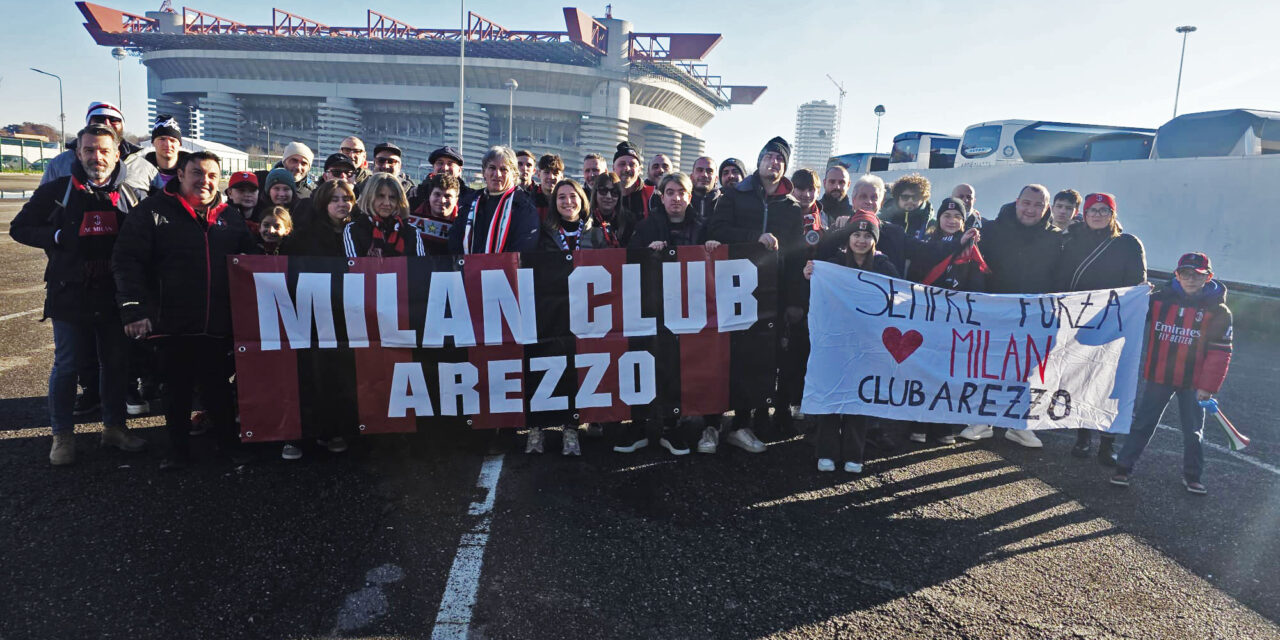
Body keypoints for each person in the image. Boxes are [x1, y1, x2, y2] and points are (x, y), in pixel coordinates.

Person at [11, 124, 149, 465]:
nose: (96, 157)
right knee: (68, 365)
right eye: (89, 150)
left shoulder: (133, 195)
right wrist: (56, 236)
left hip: (115, 296)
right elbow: (20, 228)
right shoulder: (58, 190)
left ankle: (114, 428)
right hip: (70, 294)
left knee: (116, 364)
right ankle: (62, 436)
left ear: (118, 154)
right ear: (78, 153)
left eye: (104, 150)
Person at [112, 150, 257, 470]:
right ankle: (177, 451)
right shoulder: (151, 211)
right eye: (197, 173)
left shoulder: (230, 217)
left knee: (218, 388)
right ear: (180, 174)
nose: (204, 181)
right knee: (174, 390)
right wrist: (133, 310)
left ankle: (228, 446)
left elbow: (250, 261)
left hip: (216, 323)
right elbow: (126, 261)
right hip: (171, 321)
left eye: (211, 175)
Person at [707, 136, 804, 452]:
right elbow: (717, 232)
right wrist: (754, 238)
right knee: (730, 353)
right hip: (734, 289)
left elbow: (796, 257)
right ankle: (717, 420)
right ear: (759, 160)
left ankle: (746, 421)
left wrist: (793, 301)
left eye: (780, 160)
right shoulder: (734, 196)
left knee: (764, 356)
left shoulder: (791, 208)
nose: (774, 163)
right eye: (769, 157)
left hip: (773, 295)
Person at [1111, 253, 1232, 495]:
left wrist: (1208, 386)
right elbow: (1126, 313)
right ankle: (1123, 467)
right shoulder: (1158, 300)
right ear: (1176, 275)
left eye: (1197, 275)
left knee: (1193, 430)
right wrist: (1137, 293)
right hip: (1159, 376)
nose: (1191, 279)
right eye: (1185, 273)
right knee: (1143, 423)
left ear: (1208, 277)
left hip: (1194, 382)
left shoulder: (1219, 311)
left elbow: (1220, 353)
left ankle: (1193, 476)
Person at [958, 184, 1062, 448]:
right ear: (1017, 202)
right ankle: (982, 420)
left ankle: (1018, 424)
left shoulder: (1057, 238)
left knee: (1025, 370)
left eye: (1038, 205)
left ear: (1046, 208)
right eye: (1027, 203)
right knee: (989, 365)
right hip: (995, 311)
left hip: (1034, 315)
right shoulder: (991, 230)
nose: (1031, 209)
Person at [625, 172, 721, 456]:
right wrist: (647, 253)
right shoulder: (646, 226)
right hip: (651, 307)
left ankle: (671, 426)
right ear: (661, 196)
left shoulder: (703, 228)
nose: (676, 198)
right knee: (645, 363)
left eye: (681, 192)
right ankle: (639, 425)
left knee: (677, 367)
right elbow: (628, 261)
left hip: (688, 309)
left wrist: (714, 249)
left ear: (689, 196)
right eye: (670, 192)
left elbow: (716, 268)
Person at [802, 211, 900, 473]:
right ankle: (826, 451)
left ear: (875, 240)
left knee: (860, 397)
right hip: (835, 343)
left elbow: (896, 300)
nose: (860, 240)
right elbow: (815, 292)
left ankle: (854, 453)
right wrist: (810, 274)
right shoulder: (833, 264)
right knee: (832, 393)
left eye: (867, 235)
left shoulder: (885, 267)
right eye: (856, 234)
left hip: (867, 344)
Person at [1054, 192, 1147, 462]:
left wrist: (1140, 293)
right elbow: (1060, 278)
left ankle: (1108, 443)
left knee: (1110, 384)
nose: (1097, 214)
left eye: (1103, 210)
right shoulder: (1071, 240)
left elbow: (1135, 282)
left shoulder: (1128, 244)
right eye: (1092, 209)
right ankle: (1083, 438)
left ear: (1112, 215)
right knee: (1081, 380)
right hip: (1078, 322)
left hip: (1114, 324)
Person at [527, 178, 608, 456]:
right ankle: (536, 428)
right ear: (554, 202)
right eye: (561, 197)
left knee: (575, 370)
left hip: (584, 314)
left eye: (573, 196)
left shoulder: (596, 234)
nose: (568, 202)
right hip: (550, 313)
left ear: (582, 200)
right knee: (543, 367)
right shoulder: (544, 233)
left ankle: (570, 428)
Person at [279, 179, 358, 460]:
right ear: (323, 203)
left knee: (340, 377)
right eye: (335, 199)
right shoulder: (305, 236)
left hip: (349, 319)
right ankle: (298, 436)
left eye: (346, 198)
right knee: (310, 376)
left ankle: (333, 431)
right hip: (313, 318)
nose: (342, 204)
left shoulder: (359, 233)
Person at [903, 197, 987, 445]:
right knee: (923, 369)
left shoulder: (971, 249)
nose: (951, 221)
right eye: (947, 216)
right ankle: (918, 421)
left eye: (957, 218)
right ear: (939, 219)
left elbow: (977, 282)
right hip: (928, 317)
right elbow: (919, 271)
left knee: (949, 373)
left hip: (955, 320)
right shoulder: (928, 244)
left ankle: (941, 425)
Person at [447, 146, 540, 254]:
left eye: (503, 169)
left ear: (514, 174)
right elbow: (455, 240)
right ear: (484, 172)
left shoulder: (524, 206)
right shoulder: (470, 202)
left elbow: (524, 247)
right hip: (469, 268)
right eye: (492, 168)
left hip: (507, 269)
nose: (497, 174)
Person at [345, 173, 426, 258]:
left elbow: (420, 268)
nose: (387, 203)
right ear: (369, 198)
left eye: (392, 197)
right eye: (381, 196)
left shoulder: (411, 232)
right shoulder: (353, 229)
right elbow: (354, 267)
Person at [409, 172, 461, 255]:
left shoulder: (464, 225)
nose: (442, 200)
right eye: (437, 194)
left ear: (456, 199)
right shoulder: (411, 222)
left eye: (447, 196)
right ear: (430, 195)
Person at [589, 172, 636, 248]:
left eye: (614, 192)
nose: (608, 196)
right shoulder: (585, 218)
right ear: (595, 193)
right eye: (603, 191)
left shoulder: (628, 219)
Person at [881, 173, 933, 240]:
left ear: (923, 198)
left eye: (915, 197)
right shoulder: (882, 218)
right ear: (897, 197)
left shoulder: (933, 223)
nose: (910, 201)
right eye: (905, 197)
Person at [145, 115, 188, 193]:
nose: (167, 144)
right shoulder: (142, 172)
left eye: (172, 140)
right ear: (152, 142)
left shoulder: (192, 173)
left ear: (180, 144)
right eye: (162, 139)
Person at [613, 141, 652, 221]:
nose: (627, 168)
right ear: (613, 168)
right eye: (622, 164)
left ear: (639, 170)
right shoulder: (604, 195)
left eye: (632, 164)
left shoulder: (651, 197)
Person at [533, 154, 565, 220]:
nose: (551, 177)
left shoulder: (567, 199)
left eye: (555, 173)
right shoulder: (529, 200)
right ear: (539, 174)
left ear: (561, 176)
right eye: (546, 172)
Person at [689, 156, 719, 220]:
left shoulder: (725, 204)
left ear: (716, 179)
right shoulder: (682, 203)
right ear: (691, 177)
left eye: (709, 171)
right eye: (700, 170)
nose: (704, 174)